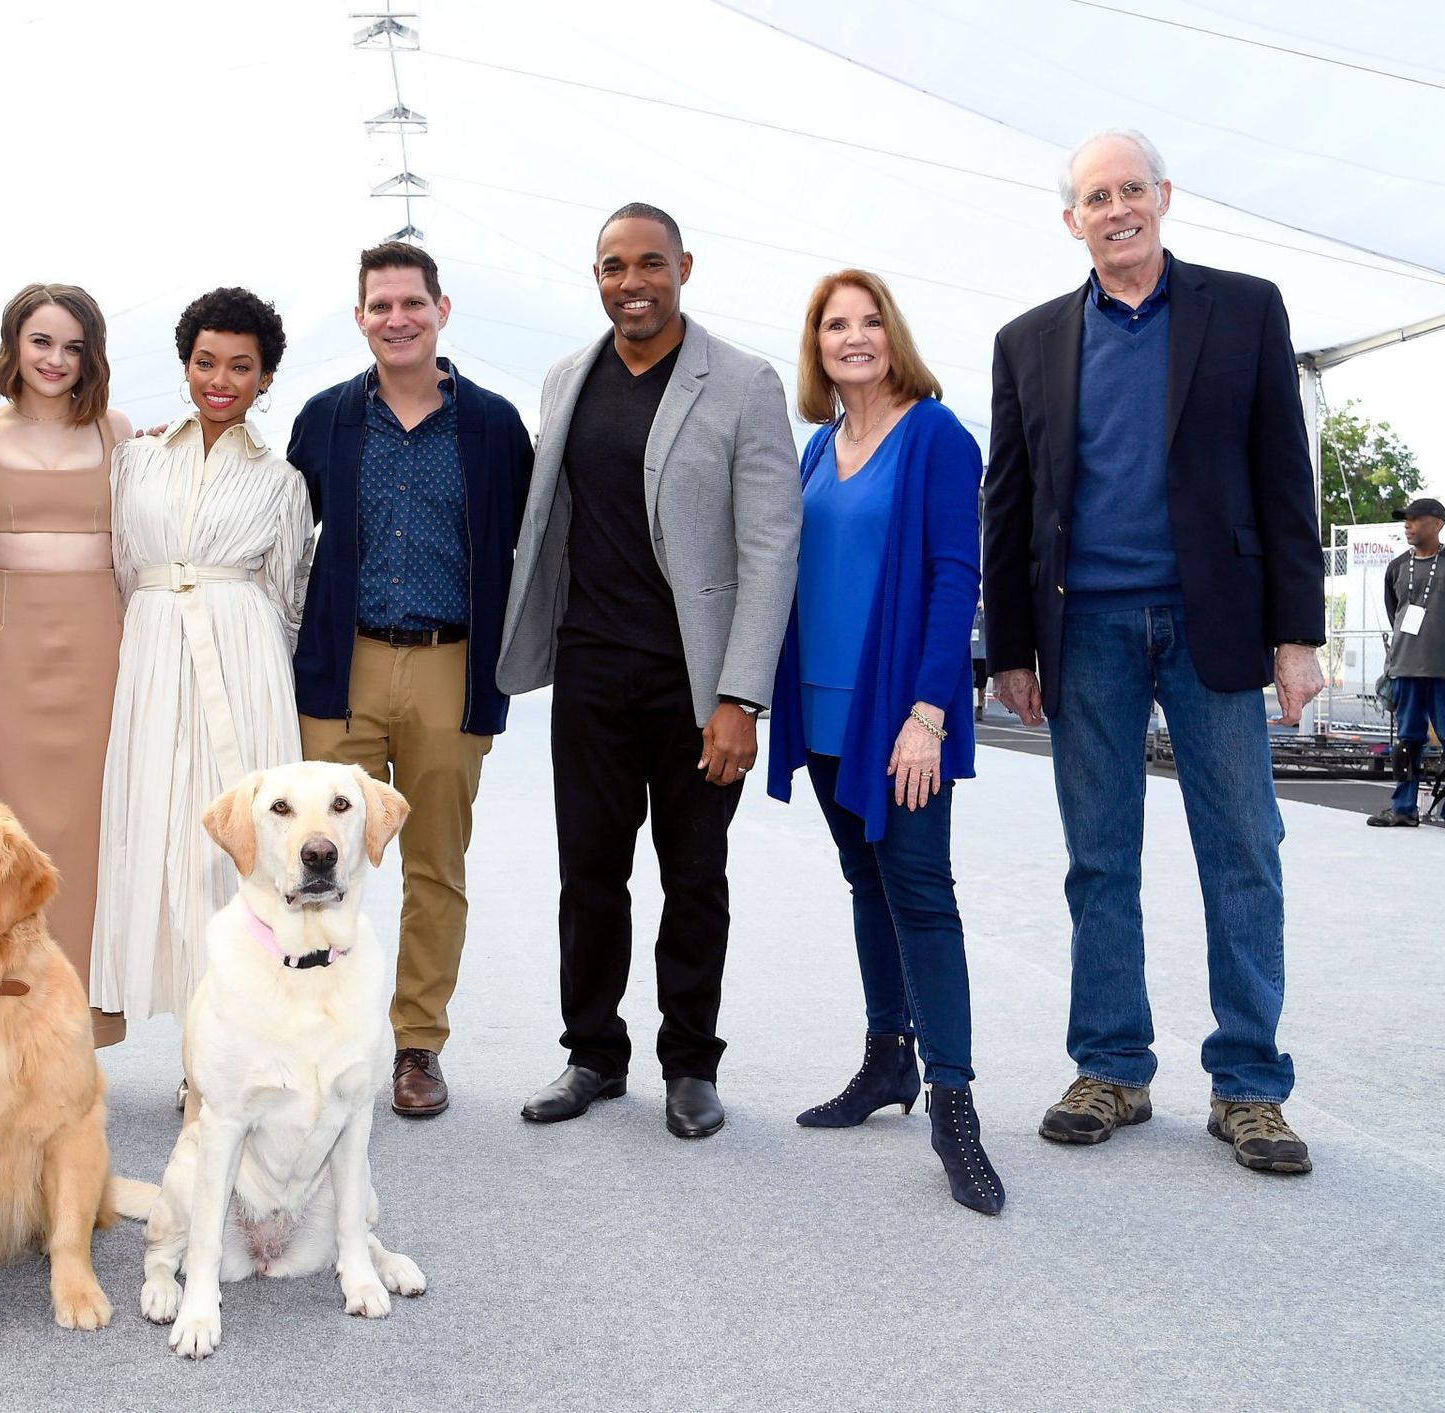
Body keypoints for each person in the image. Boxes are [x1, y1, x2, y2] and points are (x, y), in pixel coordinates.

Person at [983, 129, 1325, 1175]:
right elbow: (1011, 499)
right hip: (1086, 630)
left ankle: (1250, 1085)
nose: (1117, 208)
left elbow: (1283, 472)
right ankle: (1114, 1065)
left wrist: (1298, 633)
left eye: (1133, 189)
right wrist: (1012, 646)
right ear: (1071, 219)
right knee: (1100, 858)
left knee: (1243, 852)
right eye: (1097, 196)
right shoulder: (1029, 340)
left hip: (1211, 620)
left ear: (1164, 197)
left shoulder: (1245, 308)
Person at [499, 202, 801, 1140]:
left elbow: (772, 545)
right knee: (588, 873)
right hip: (591, 668)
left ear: (684, 267)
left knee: (693, 873)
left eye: (648, 264)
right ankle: (592, 1052)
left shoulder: (744, 383)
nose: (630, 282)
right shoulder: (566, 379)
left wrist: (741, 697)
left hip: (693, 682)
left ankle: (691, 1062)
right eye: (612, 267)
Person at [764, 270, 1002, 1215]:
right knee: (866, 879)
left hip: (899, 717)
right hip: (821, 709)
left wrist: (928, 716)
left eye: (868, 323)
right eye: (834, 325)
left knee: (920, 892)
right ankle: (885, 1058)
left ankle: (957, 1105)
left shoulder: (937, 435)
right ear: (816, 344)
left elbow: (956, 579)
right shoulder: (820, 444)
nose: (852, 338)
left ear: (892, 333)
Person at [288, 242, 534, 1118]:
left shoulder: (495, 425)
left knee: (435, 866)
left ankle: (417, 1044)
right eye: (380, 305)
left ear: (442, 309)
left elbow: (530, 543)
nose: (397, 318)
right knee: (316, 861)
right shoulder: (323, 419)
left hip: (449, 665)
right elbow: (282, 533)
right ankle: (314, 1037)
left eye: (411, 304)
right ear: (360, 317)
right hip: (343, 668)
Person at [92, 288, 312, 1036]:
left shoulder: (282, 481)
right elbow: (124, 568)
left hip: (244, 659)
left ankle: (233, 1032)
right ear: (186, 365)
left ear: (265, 378)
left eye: (241, 366)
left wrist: (259, 671)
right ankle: (184, 1016)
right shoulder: (133, 460)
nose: (221, 379)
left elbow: (286, 596)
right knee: (156, 832)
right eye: (206, 361)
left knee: (238, 839)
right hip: (153, 655)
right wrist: (154, 638)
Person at [0, 283, 133, 1047]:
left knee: (92, 833)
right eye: (41, 342)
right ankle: (5, 1011)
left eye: (72, 345)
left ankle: (83, 1018)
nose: (56, 359)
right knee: (9, 835)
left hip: (103, 642)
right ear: (13, 345)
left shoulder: (119, 430)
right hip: (7, 650)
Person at [1369, 497, 1445, 833]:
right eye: (1405, 520)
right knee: (1407, 741)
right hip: (1406, 666)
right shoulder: (1396, 567)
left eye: (1415, 519)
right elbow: (1397, 612)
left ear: (1437, 523)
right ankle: (1404, 808)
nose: (1407, 525)